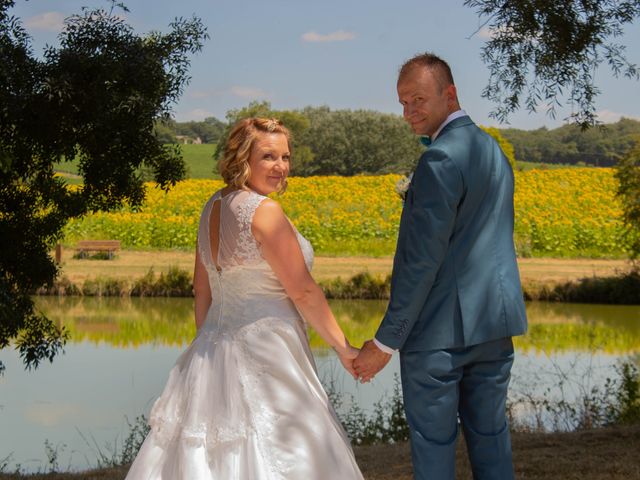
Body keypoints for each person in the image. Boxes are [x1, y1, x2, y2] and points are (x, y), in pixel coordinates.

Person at [125, 117, 364, 479]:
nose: (281, 166)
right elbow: (302, 290)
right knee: (289, 448)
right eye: (268, 156)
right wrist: (344, 348)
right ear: (242, 158)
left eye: (285, 156)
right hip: (269, 350)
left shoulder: (212, 207)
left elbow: (201, 289)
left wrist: (208, 348)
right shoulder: (264, 212)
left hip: (210, 352)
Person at [353, 52, 528, 479]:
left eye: (417, 100)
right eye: (402, 103)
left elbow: (421, 262)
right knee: (491, 439)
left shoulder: (439, 159)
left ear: (449, 95)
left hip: (438, 336)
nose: (409, 112)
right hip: (494, 323)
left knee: (433, 449)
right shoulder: (492, 150)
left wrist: (385, 342)